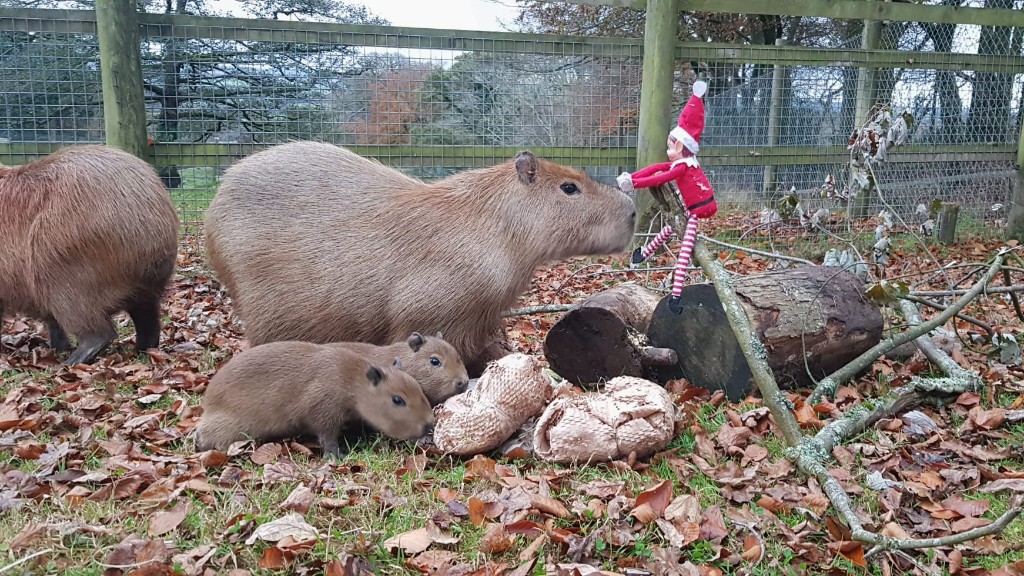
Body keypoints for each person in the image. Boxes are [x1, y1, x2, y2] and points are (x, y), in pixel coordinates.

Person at [617, 80, 717, 314]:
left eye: (670, 146)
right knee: (672, 228)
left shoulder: (682, 167)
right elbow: (655, 169)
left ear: (680, 145)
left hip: (696, 211)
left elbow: (659, 178)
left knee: (684, 249)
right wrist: (632, 178)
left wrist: (635, 184)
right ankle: (643, 254)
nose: (667, 150)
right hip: (686, 211)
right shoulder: (683, 164)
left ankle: (676, 295)